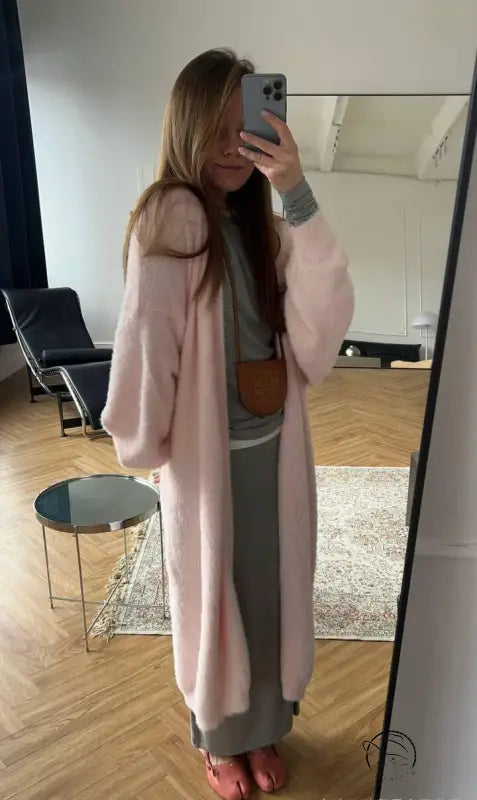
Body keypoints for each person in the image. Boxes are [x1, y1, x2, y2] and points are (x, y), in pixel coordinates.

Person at [101, 48, 354, 800]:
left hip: (275, 450)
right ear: (184, 126)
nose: (229, 148)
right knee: (214, 599)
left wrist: (294, 189)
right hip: (206, 458)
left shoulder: (262, 224)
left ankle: (263, 729)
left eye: (240, 127)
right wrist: (148, 442)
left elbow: (320, 331)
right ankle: (220, 742)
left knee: (271, 596)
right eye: (213, 130)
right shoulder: (170, 215)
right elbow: (147, 337)